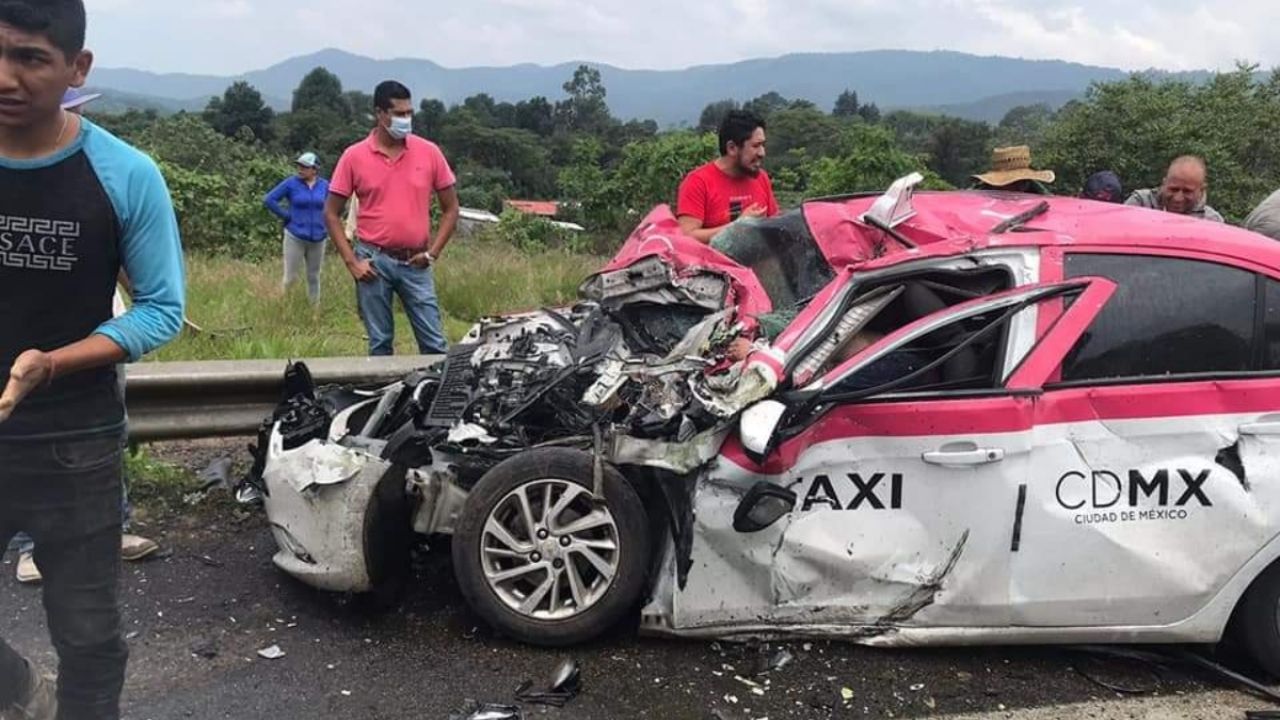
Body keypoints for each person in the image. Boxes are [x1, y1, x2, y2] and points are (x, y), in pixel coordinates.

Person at [0, 2, 185, 718]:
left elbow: (161, 309)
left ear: (78, 69)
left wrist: (52, 363)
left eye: (32, 59)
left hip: (74, 442)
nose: (7, 77)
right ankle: (20, 693)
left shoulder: (123, 174)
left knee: (88, 636)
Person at [10, 87, 161, 588]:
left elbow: (139, 281)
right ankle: (35, 545)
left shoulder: (114, 171)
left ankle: (105, 527)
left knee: (105, 431)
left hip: (98, 342)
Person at [325, 81, 460, 356]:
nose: (406, 119)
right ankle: (384, 398)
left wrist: (433, 253)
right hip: (374, 261)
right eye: (399, 114)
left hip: (417, 262)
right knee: (380, 344)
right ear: (380, 113)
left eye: (409, 113)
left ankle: (435, 397)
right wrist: (352, 262)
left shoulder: (428, 152)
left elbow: (451, 208)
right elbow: (330, 212)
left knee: (435, 345)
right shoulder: (354, 156)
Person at [676, 109, 778, 243]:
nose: (762, 153)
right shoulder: (698, 182)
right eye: (756, 146)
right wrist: (738, 227)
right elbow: (686, 238)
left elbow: (776, 225)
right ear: (732, 148)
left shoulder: (761, 178)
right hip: (713, 263)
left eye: (763, 145)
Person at [264, 151, 330, 303]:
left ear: (315, 169)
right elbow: (269, 199)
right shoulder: (291, 183)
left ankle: (315, 310)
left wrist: (327, 222)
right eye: (299, 166)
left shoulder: (325, 186)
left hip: (318, 238)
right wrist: (286, 216)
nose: (300, 169)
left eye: (305, 167)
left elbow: (335, 204)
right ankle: (286, 307)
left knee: (314, 276)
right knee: (290, 277)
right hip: (295, 235)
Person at [1125, 156, 1224, 222]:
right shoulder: (1140, 203)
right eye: (1173, 189)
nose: (1178, 198)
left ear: (1201, 190)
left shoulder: (1211, 221)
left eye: (1187, 191)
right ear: (1164, 183)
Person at [970, 146, 1055, 194]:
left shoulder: (1035, 189)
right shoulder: (980, 193)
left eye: (1022, 182)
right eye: (1014, 182)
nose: (1019, 187)